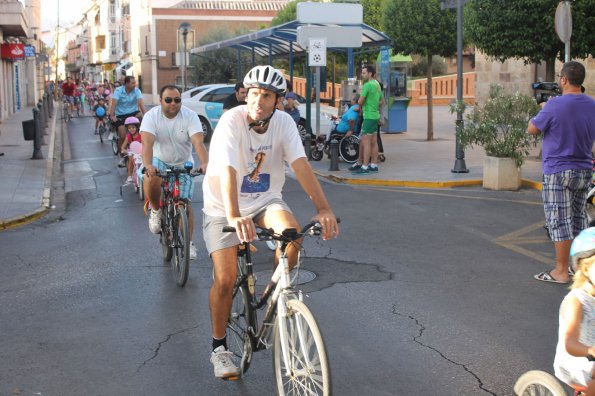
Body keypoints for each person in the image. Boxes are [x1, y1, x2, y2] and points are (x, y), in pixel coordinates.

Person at [202, 65, 339, 379]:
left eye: (266, 95)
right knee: (224, 278)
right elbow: (228, 171)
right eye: (253, 94)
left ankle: (277, 294)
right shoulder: (230, 122)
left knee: (292, 236)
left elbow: (301, 164)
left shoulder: (284, 123)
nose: (258, 101)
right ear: (245, 94)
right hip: (224, 204)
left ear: (278, 100)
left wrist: (323, 208)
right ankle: (219, 348)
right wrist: (235, 215)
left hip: (265, 200)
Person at [528, 61, 595, 284]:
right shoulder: (591, 104)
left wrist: (543, 110)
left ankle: (560, 271)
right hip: (584, 169)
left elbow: (533, 129)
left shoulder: (554, 105)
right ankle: (580, 270)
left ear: (564, 80)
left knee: (559, 221)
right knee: (578, 221)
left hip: (558, 170)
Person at [141, 85, 208, 260]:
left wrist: (205, 163)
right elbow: (147, 144)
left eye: (177, 100)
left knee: (184, 204)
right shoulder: (151, 116)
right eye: (168, 100)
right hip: (158, 160)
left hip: (182, 162)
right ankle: (156, 210)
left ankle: (188, 242)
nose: (173, 103)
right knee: (151, 177)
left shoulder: (190, 116)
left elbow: (198, 143)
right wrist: (148, 165)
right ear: (160, 101)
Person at [553, 227, 595, 395]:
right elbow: (569, 343)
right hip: (577, 361)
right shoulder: (576, 302)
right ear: (584, 269)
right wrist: (591, 350)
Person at [350, 65, 384, 174]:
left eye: (364, 73)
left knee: (365, 141)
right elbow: (382, 101)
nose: (362, 74)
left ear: (370, 74)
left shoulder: (367, 85)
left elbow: (359, 101)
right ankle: (373, 165)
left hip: (368, 116)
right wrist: (373, 105)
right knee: (374, 141)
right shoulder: (377, 84)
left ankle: (364, 167)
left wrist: (364, 103)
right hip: (375, 116)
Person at [110, 76, 146, 166]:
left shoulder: (136, 90)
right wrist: (112, 115)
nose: (135, 84)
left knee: (141, 117)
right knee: (122, 135)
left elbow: (141, 103)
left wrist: (146, 115)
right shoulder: (118, 91)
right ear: (126, 84)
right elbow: (114, 103)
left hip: (133, 112)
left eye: (135, 82)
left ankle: (141, 145)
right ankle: (122, 156)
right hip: (121, 115)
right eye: (132, 83)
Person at [120, 117, 142, 183]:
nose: (131, 129)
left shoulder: (141, 134)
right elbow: (123, 147)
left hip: (141, 150)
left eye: (133, 127)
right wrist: (125, 150)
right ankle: (129, 176)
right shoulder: (128, 136)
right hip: (132, 150)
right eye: (129, 128)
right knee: (131, 160)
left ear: (137, 127)